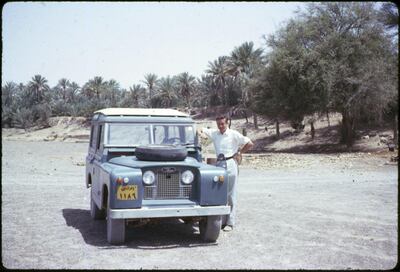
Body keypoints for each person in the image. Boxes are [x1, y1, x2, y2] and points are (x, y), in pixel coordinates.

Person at [197, 115, 254, 232]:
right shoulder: (215, 133)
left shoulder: (233, 134)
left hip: (230, 163)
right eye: (219, 124)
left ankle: (230, 222)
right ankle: (221, 221)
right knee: (219, 192)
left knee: (231, 194)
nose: (221, 126)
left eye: (223, 124)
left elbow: (249, 143)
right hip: (219, 164)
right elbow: (200, 129)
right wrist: (201, 134)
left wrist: (239, 152)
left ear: (227, 123)